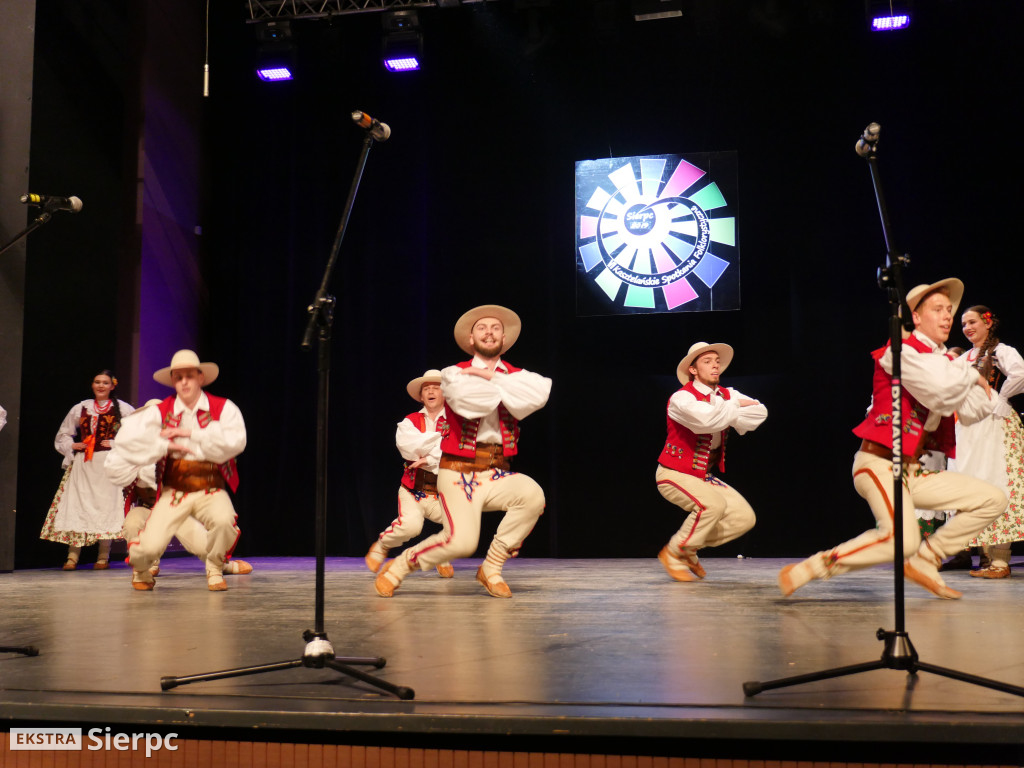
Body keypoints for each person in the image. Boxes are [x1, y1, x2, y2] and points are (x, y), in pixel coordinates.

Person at [778, 278, 1007, 600]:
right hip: (878, 463)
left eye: (949, 311)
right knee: (902, 538)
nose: (947, 317)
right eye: (937, 310)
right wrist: (970, 374)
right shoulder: (899, 353)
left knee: (992, 498)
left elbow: (975, 410)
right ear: (916, 317)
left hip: (911, 470)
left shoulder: (944, 364)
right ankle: (809, 568)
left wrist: (969, 378)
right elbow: (942, 396)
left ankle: (926, 562)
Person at [374, 305, 551, 599]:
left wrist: (493, 378)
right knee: (461, 543)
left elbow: (539, 394)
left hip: (494, 471)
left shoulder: (516, 374)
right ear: (471, 339)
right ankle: (400, 566)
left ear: (504, 338)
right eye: (482, 328)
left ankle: (491, 568)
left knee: (532, 495)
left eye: (495, 328)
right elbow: (474, 403)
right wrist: (507, 388)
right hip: (458, 471)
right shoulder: (453, 374)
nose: (489, 332)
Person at [117, 350, 247, 591]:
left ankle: (218, 567)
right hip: (161, 503)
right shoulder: (145, 443)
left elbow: (227, 444)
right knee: (139, 531)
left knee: (220, 525)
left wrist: (191, 436)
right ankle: (142, 569)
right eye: (179, 377)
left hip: (196, 496)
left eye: (190, 376)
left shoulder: (210, 416)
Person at [655, 342, 767, 581]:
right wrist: (734, 407)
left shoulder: (727, 394)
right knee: (712, 505)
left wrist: (726, 408)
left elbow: (760, 413)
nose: (715, 365)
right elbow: (705, 421)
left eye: (716, 361)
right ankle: (675, 552)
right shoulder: (681, 398)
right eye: (707, 361)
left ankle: (689, 548)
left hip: (702, 476)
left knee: (744, 518)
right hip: (674, 473)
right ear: (693, 370)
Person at [106, 400, 254, 579]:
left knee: (204, 548)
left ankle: (223, 565)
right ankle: (147, 564)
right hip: (149, 509)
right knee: (132, 523)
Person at [953, 305, 1024, 579]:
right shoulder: (965, 358)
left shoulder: (1001, 351)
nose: (967, 327)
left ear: (987, 323)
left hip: (995, 424)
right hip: (971, 428)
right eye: (963, 324)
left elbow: (1019, 373)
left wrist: (1003, 399)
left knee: (997, 482)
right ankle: (985, 558)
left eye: (972, 322)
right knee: (975, 486)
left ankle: (1001, 561)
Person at [40, 370, 134, 570]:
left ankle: (103, 556)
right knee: (79, 504)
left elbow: (137, 435)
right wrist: (72, 446)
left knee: (106, 505)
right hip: (84, 464)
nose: (101, 386)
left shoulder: (124, 409)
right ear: (92, 385)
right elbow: (64, 434)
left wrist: (116, 443)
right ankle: (72, 557)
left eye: (105, 383)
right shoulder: (81, 407)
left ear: (112, 386)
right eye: (97, 382)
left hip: (108, 464)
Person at [365, 370, 454, 579]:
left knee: (461, 524)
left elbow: (457, 450)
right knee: (410, 527)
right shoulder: (410, 421)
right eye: (426, 389)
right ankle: (381, 545)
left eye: (436, 388)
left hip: (442, 493)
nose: (431, 392)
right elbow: (408, 448)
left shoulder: (455, 422)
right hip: (413, 491)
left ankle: (439, 555)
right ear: (421, 396)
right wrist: (440, 445)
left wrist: (429, 458)